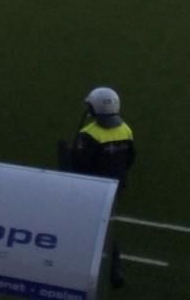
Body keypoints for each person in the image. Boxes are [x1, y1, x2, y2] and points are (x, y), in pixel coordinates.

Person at [71, 87, 135, 289]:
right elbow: (130, 158)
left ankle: (111, 265)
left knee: (94, 227)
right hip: (116, 187)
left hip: (92, 189)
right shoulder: (125, 129)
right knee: (104, 225)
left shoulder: (88, 134)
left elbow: (79, 163)